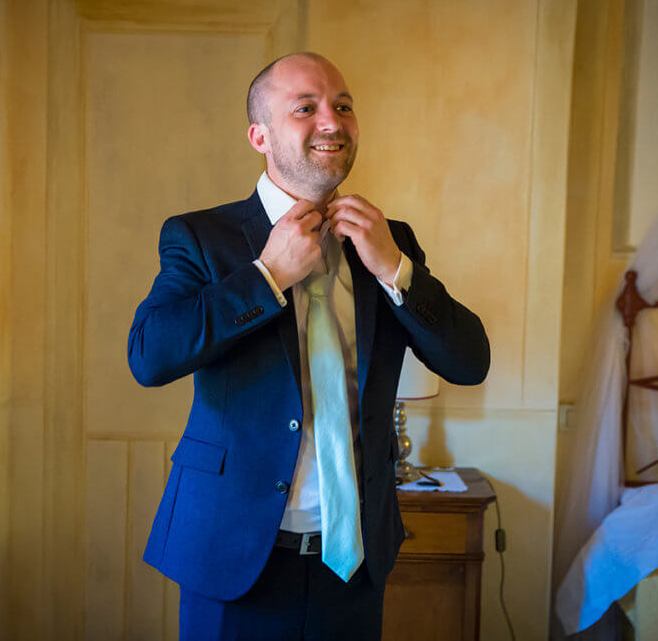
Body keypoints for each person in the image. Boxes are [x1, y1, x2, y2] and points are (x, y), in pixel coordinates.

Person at [128, 52, 490, 640]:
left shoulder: (390, 240)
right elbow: (149, 356)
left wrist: (397, 270)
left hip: (353, 561)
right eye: (307, 107)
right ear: (260, 135)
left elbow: (470, 362)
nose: (333, 120)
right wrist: (266, 276)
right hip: (232, 555)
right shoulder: (200, 236)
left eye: (343, 106)